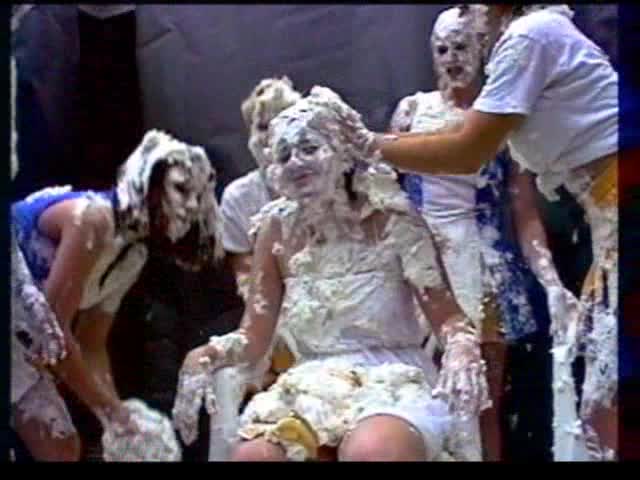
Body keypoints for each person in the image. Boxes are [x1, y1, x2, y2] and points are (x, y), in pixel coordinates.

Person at [173, 86, 491, 462]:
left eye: (309, 148)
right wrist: (206, 354)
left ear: (341, 152)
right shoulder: (275, 229)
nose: (296, 162)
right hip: (312, 385)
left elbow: (449, 319)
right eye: (284, 155)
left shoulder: (392, 217)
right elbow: (254, 337)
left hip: (392, 380)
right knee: (253, 457)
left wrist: (460, 348)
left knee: (370, 451)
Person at [358, 4, 618, 461]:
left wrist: (363, 142)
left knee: (602, 400)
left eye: (471, 10)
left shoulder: (529, 37)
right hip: (429, 256)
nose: (470, 18)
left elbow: (469, 153)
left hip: (602, 215)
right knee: (603, 398)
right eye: (443, 47)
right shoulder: (425, 105)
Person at [389, 5, 553, 461]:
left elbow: (524, 209)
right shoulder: (412, 112)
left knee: (483, 402)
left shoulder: (499, 116)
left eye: (460, 47)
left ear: (482, 49)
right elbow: (383, 192)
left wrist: (550, 279)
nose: (451, 59)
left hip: (486, 270)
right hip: (420, 266)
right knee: (420, 396)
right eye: (441, 49)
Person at [11, 129, 223, 461]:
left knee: (60, 447)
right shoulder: (91, 220)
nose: (191, 206)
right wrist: (110, 412)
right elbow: (49, 335)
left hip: (22, 333)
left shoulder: (132, 256)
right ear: (147, 182)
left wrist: (120, 418)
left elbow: (92, 344)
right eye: (181, 189)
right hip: (22, 321)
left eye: (199, 195)